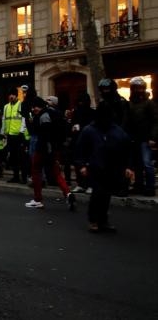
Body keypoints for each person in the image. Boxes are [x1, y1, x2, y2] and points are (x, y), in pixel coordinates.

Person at [75, 100, 133, 233]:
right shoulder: (89, 130)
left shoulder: (116, 130)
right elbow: (81, 149)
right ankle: (94, 220)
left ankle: (103, 220)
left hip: (111, 167)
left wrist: (128, 166)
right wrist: (82, 165)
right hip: (95, 167)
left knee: (106, 196)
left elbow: (126, 148)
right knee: (97, 194)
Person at [25, 97, 75, 210]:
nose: (34, 109)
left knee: (36, 172)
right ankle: (68, 194)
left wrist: (47, 150)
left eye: (35, 107)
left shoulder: (44, 116)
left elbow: (45, 134)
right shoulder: (54, 113)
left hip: (43, 150)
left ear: (40, 106)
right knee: (57, 174)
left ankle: (38, 200)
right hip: (53, 150)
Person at [123, 77, 157, 196]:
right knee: (137, 164)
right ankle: (139, 185)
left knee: (147, 163)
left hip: (145, 138)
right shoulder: (129, 104)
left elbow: (155, 121)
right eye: (136, 88)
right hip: (133, 138)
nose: (138, 90)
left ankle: (150, 187)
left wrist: (153, 137)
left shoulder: (149, 103)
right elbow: (126, 121)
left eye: (140, 88)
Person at [70, 93, 95, 194]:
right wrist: (73, 127)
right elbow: (72, 124)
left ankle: (90, 184)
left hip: (89, 141)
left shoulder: (92, 113)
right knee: (78, 164)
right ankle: (80, 184)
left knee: (89, 164)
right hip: (78, 140)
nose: (81, 104)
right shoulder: (76, 112)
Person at [2, 87, 28, 184]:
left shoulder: (20, 105)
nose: (11, 96)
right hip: (10, 135)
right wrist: (3, 133)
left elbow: (24, 119)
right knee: (13, 158)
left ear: (16, 95)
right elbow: (4, 120)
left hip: (19, 135)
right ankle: (15, 177)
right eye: (9, 95)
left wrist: (21, 131)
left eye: (12, 95)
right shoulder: (6, 107)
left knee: (21, 157)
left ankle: (24, 178)